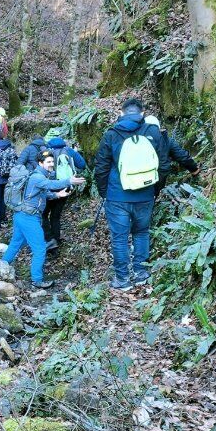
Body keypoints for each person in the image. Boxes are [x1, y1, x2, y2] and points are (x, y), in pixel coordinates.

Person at [93, 97, 164, 290]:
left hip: (117, 196)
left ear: (121, 113)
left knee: (120, 238)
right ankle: (141, 274)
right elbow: (163, 165)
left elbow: (101, 167)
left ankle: (123, 279)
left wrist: (104, 192)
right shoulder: (153, 132)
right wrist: (155, 190)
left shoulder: (112, 134)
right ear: (142, 114)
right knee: (141, 233)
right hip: (145, 194)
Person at [3, 149, 86, 288]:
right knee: (40, 248)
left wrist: (57, 196)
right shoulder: (37, 177)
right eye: (48, 162)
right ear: (40, 163)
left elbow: (43, 193)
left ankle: (1, 266)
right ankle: (37, 280)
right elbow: (51, 185)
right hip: (28, 218)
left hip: (22, 216)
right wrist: (69, 180)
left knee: (16, 243)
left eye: (52, 161)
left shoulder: (39, 176)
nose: (51, 164)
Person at [42, 136, 87, 249]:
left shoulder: (47, 152)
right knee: (56, 216)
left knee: (43, 214)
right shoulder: (69, 151)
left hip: (49, 187)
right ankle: (56, 240)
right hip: (66, 186)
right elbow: (82, 165)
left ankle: (49, 239)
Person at [144, 115, 200, 194]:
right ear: (158, 127)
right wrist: (194, 169)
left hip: (138, 175)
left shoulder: (135, 139)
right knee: (151, 197)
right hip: (159, 175)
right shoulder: (166, 140)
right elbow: (182, 156)